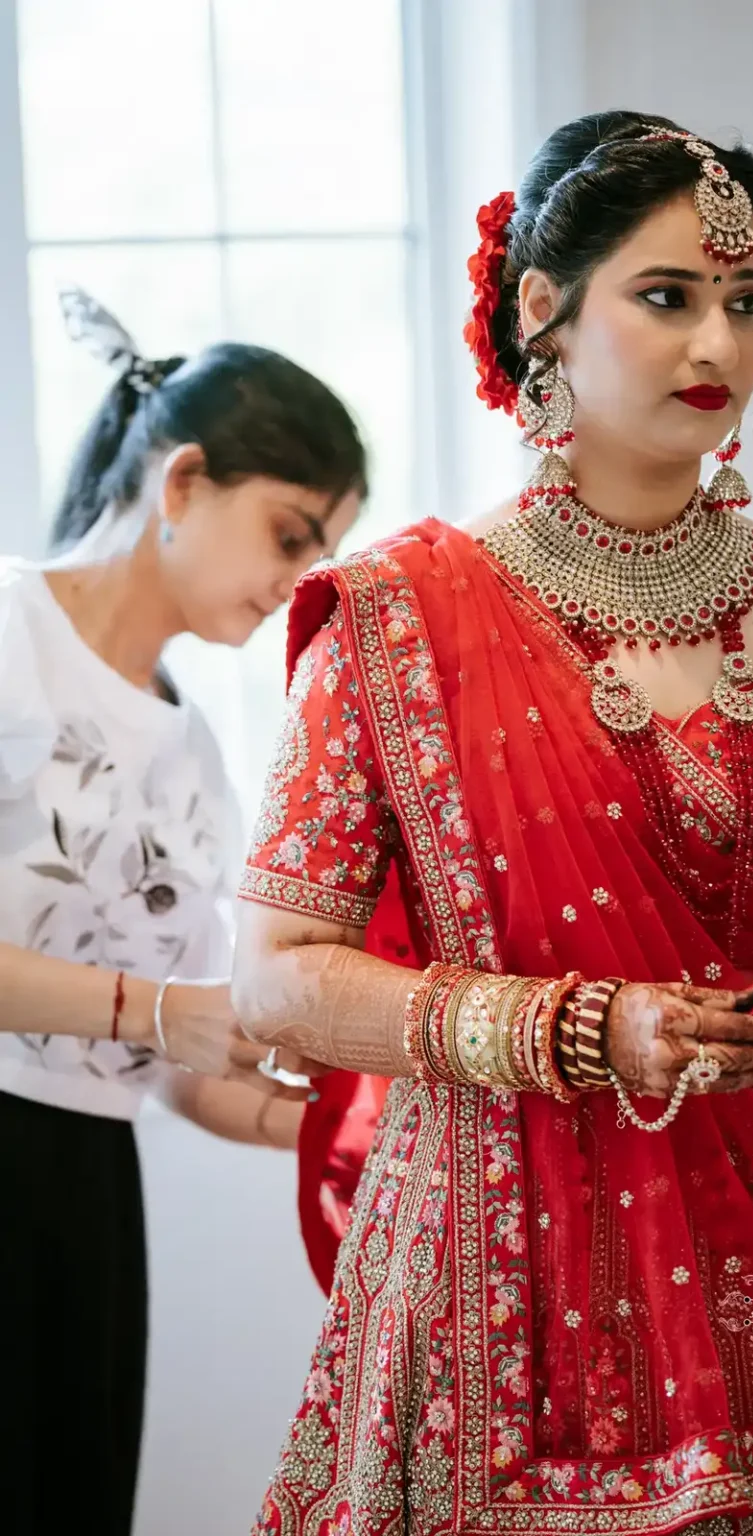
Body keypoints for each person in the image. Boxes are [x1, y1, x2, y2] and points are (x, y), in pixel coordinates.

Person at [233, 113, 753, 1534]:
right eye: (666, 297)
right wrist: (577, 1031)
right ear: (542, 314)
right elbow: (276, 971)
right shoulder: (399, 620)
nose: (716, 342)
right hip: (503, 1274)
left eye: (744, 299)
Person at [0, 290, 366, 1536]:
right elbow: (160, 1009)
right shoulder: (8, 627)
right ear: (185, 480)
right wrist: (164, 1007)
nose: (298, 582)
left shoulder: (200, 757)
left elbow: (165, 1060)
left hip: (86, 1193)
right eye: (291, 533)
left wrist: (322, 1136)